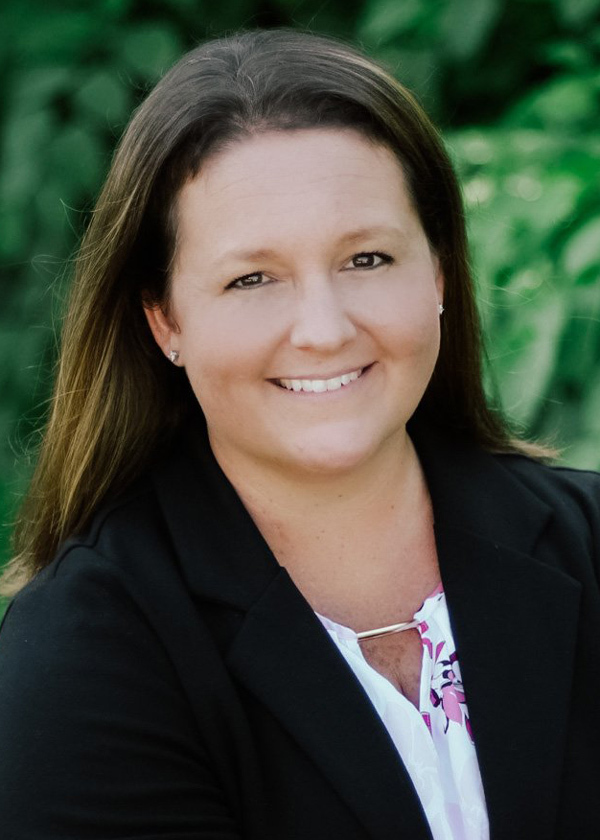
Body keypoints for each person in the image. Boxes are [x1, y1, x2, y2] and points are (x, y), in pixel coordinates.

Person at [0, 27, 598, 840]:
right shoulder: (84, 656)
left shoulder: (589, 546)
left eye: (368, 260)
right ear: (164, 318)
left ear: (441, 275)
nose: (322, 328)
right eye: (253, 279)